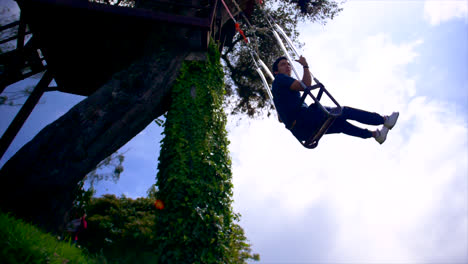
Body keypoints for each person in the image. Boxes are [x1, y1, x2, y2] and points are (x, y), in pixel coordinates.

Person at [271, 56, 399, 145]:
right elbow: (306, 85)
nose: (288, 66)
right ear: (276, 71)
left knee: (340, 124)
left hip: (302, 132)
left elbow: (280, 119)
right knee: (343, 111)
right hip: (305, 119)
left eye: (288, 64)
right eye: (283, 65)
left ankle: (376, 135)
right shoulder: (280, 79)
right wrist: (305, 65)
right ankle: (384, 120)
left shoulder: (279, 92)